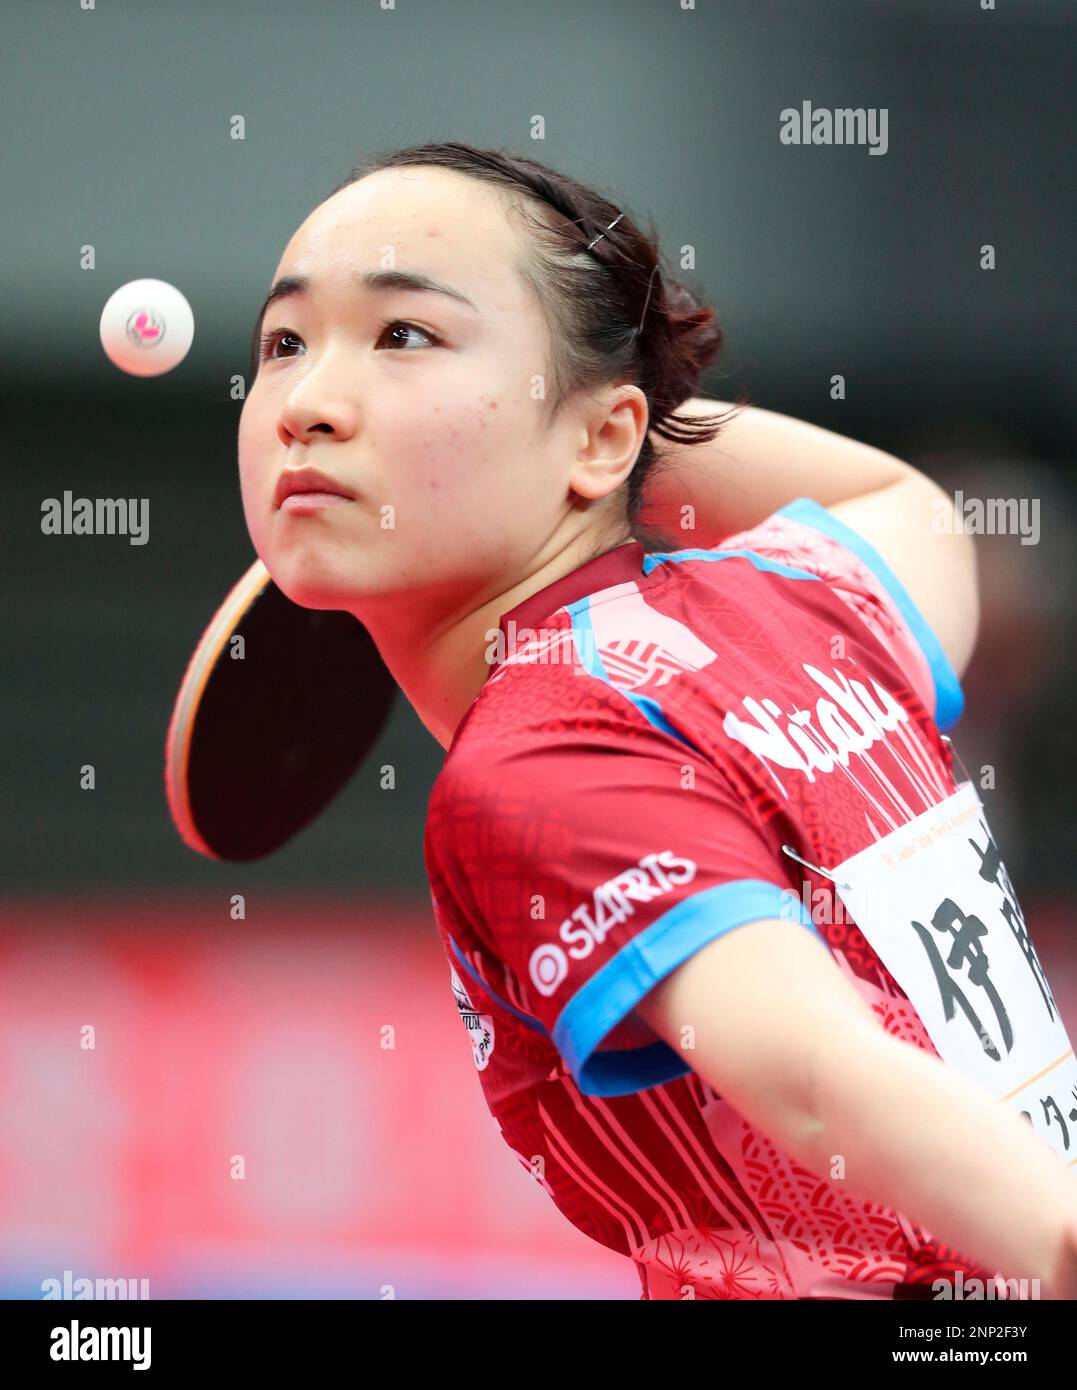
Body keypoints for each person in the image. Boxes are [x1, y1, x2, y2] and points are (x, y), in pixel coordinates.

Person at [238, 141, 1077, 1301]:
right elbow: (905, 503)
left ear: (600, 436)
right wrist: (616, 446)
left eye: (404, 336)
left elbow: (815, 1076)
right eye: (284, 345)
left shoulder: (540, 759)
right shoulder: (797, 595)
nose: (306, 406)